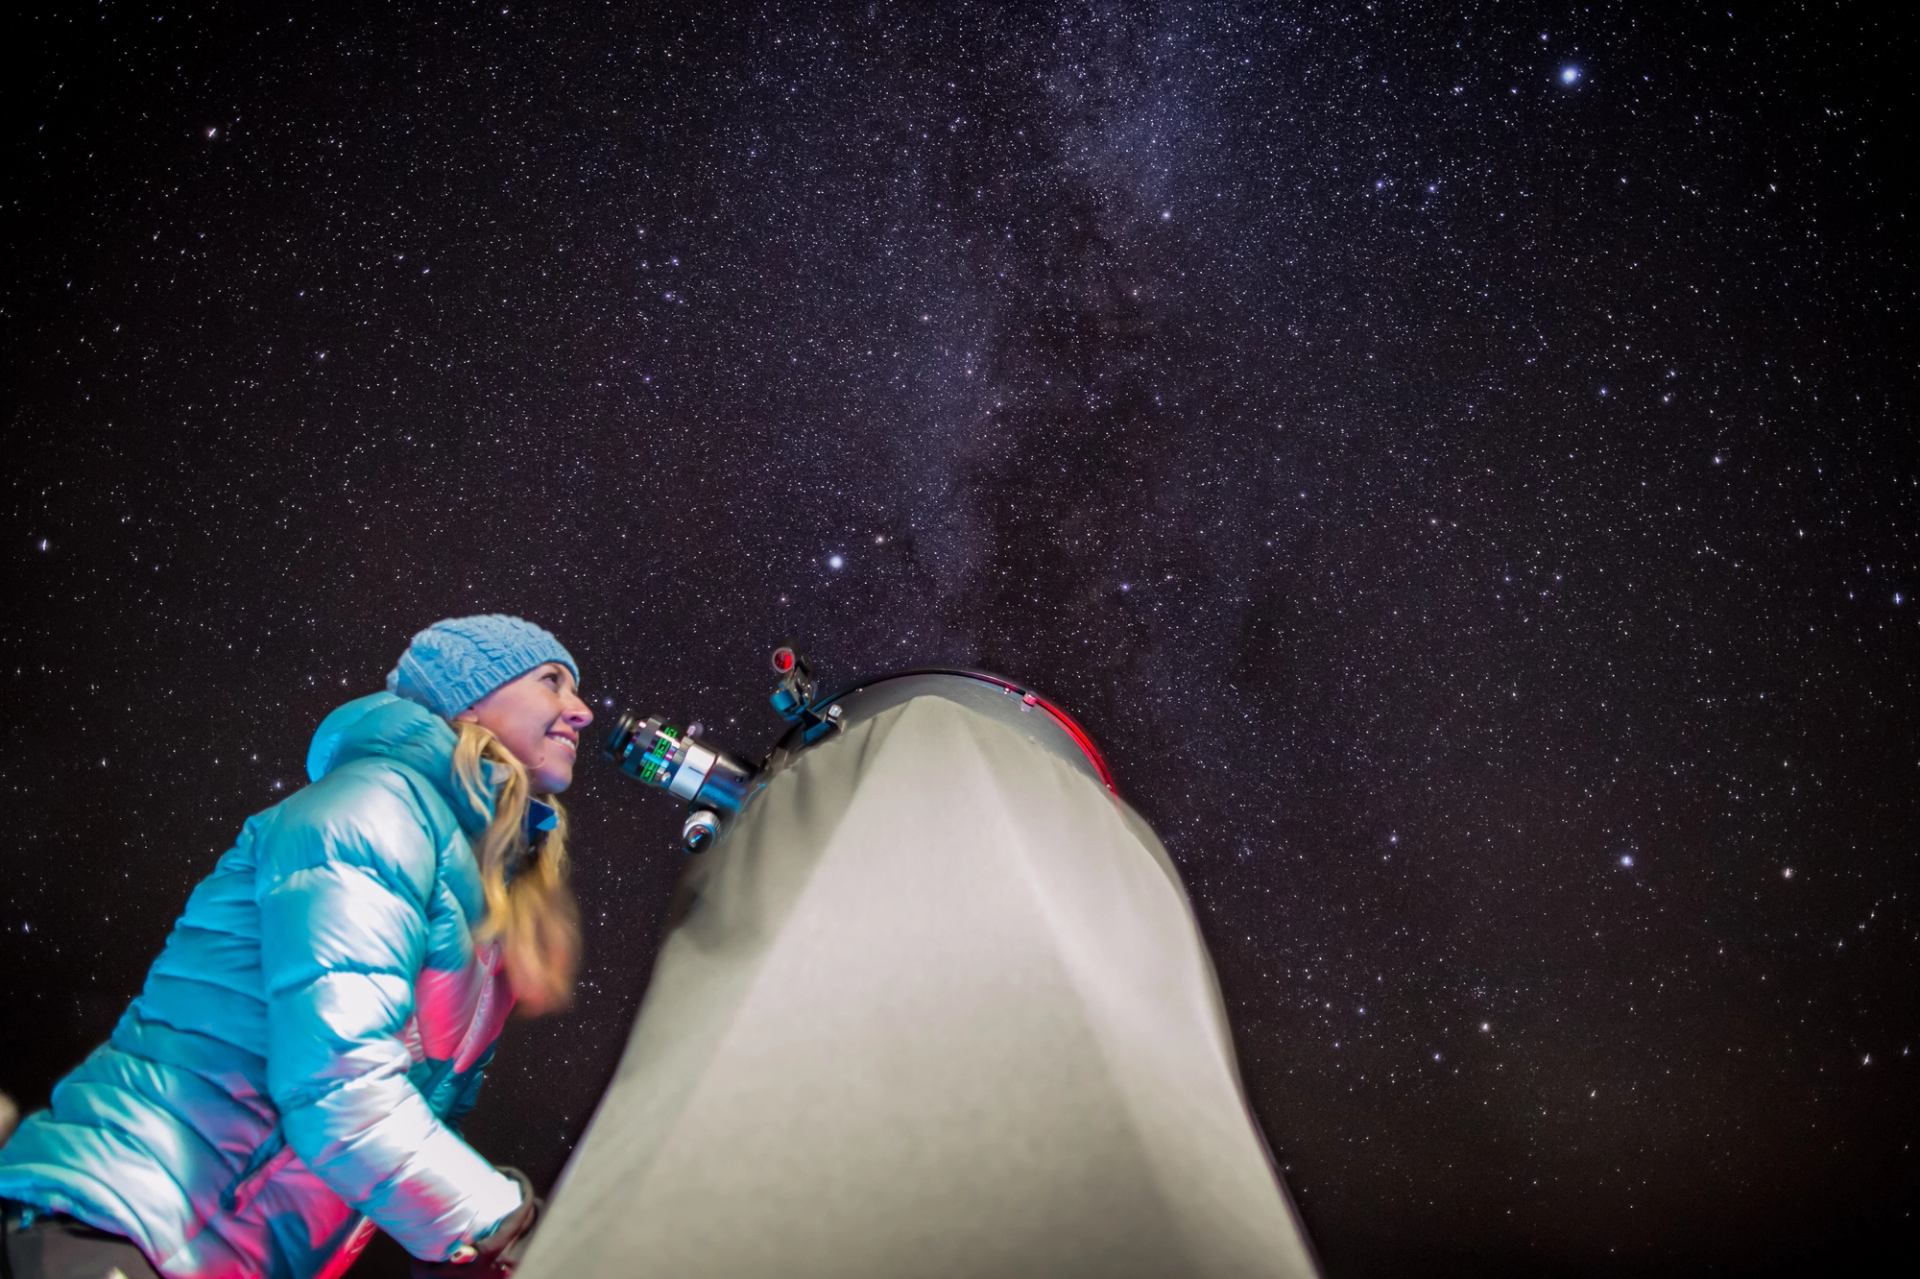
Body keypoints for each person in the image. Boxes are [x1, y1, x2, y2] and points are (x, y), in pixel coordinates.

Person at [0, 615, 594, 1279]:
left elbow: (410, 1129)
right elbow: (340, 1086)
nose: (582, 710)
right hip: (115, 1220)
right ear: (470, 696)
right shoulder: (375, 809)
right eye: (552, 682)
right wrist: (508, 1226)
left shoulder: (485, 891)